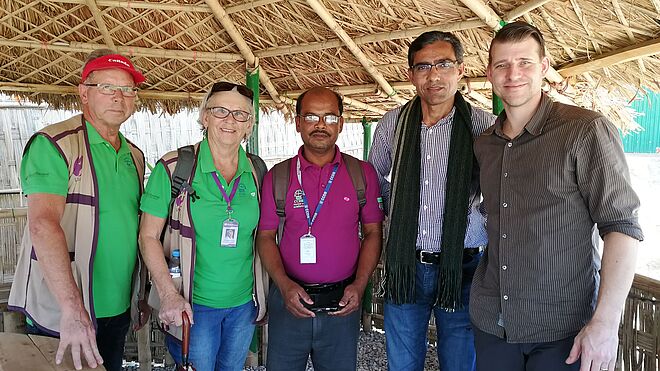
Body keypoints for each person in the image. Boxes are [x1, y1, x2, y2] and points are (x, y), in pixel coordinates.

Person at [470, 21, 644, 371]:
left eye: (525, 63)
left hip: (561, 328)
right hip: (492, 321)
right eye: (502, 64)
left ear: (544, 67)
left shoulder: (585, 130)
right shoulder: (485, 144)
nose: (513, 73)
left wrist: (606, 323)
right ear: (489, 73)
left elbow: (622, 226)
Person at [8, 49, 148, 371]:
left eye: (128, 89)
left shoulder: (136, 157)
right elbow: (43, 225)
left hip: (116, 307)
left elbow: (136, 230)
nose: (119, 97)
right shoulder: (54, 144)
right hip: (65, 311)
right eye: (108, 87)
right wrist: (72, 308)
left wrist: (141, 294)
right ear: (84, 93)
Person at [368, 31, 495, 371]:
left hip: (463, 266)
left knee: (459, 361)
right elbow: (372, 179)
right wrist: (396, 212)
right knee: (403, 361)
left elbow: (501, 190)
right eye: (423, 66)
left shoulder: (484, 126)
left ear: (461, 69)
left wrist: (476, 219)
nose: (433, 75)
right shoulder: (393, 123)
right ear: (411, 74)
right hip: (406, 265)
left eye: (443, 64)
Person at [138, 81, 268, 371]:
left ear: (250, 126)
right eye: (220, 111)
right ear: (204, 117)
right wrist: (169, 295)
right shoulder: (174, 168)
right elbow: (147, 236)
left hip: (242, 307)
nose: (230, 120)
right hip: (192, 306)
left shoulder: (257, 173)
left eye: (240, 114)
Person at [257, 87, 384, 371]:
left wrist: (360, 285)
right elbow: (265, 237)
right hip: (289, 300)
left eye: (329, 117)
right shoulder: (278, 176)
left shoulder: (361, 174)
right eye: (312, 116)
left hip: (342, 303)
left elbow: (374, 233)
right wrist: (284, 284)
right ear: (298, 122)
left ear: (341, 122)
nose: (321, 125)